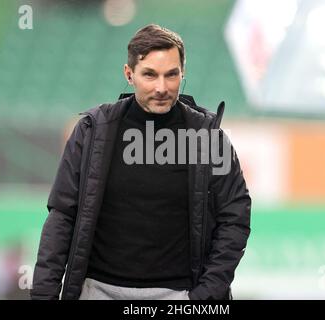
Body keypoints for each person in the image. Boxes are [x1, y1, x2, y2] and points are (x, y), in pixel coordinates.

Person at [30, 24, 251, 300]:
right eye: (150, 75)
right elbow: (62, 215)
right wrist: (45, 293)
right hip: (97, 290)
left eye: (171, 75)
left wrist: (206, 294)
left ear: (183, 73)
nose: (161, 87)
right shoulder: (93, 130)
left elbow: (235, 217)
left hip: (180, 294)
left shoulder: (207, 137)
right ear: (129, 74)